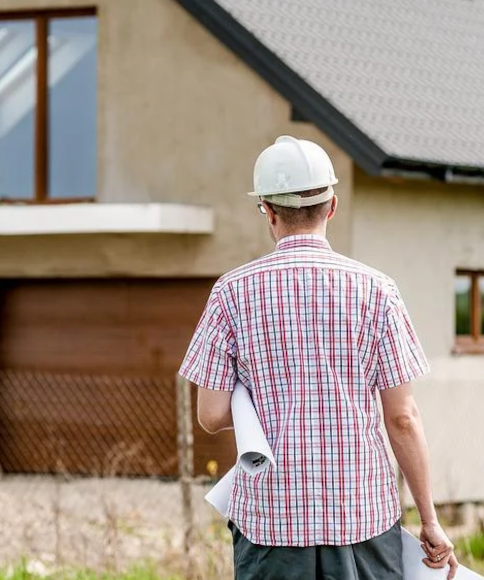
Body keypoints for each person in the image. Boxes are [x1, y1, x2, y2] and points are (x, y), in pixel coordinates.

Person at [178, 135, 458, 579]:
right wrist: (429, 520)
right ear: (332, 206)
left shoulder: (230, 293)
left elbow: (210, 414)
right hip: (362, 517)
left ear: (267, 211)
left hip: (271, 521)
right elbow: (402, 418)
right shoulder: (377, 291)